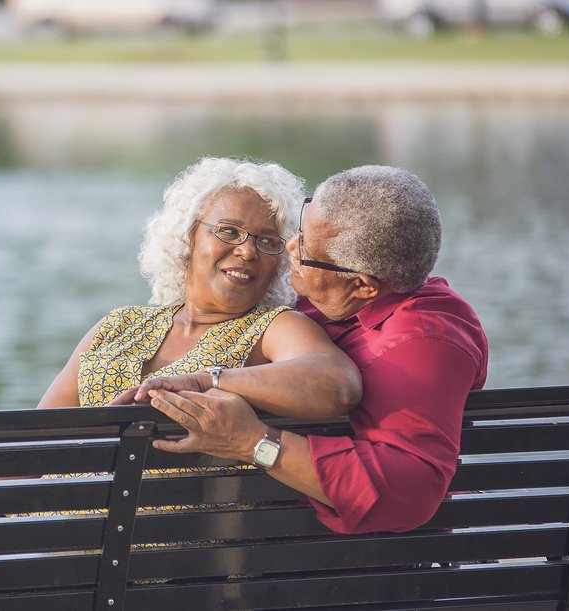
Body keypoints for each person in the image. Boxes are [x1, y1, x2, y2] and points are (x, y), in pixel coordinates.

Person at [121, 165, 489, 535]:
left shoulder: (423, 341)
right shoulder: (325, 296)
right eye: (299, 229)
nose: (289, 248)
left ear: (363, 286)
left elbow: (409, 493)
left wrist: (253, 442)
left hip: (346, 556)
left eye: (306, 249)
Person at [37, 157, 362, 419]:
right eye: (229, 232)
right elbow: (33, 436)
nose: (248, 251)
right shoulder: (119, 324)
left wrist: (207, 381)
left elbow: (338, 385)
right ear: (187, 237)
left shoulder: (273, 328)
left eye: (267, 241)